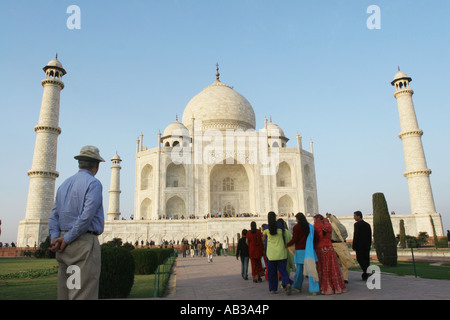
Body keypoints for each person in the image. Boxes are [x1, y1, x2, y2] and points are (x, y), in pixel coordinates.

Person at [48, 145, 105, 300]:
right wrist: (66, 239)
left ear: (79, 162)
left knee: (66, 293)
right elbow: (86, 217)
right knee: (82, 293)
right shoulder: (93, 183)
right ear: (97, 165)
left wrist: (55, 238)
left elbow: (54, 216)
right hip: (82, 244)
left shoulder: (64, 185)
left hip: (63, 245)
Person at [286, 212, 320, 294]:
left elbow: (295, 239)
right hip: (309, 251)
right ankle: (314, 290)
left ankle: (298, 287)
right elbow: (316, 238)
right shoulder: (310, 227)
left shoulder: (296, 227)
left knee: (299, 270)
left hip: (300, 250)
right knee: (311, 270)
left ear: (297, 219)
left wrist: (287, 244)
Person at [313, 214, 347, 295]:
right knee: (332, 268)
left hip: (320, 249)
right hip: (330, 248)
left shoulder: (316, 226)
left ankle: (326, 288)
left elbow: (316, 239)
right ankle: (337, 287)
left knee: (323, 268)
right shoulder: (328, 226)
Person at [262, 212, 293, 295]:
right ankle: (286, 283)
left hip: (271, 253)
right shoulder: (280, 225)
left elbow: (263, 239)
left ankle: (273, 289)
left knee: (272, 272)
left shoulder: (266, 228)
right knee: (283, 271)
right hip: (281, 252)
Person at [327, 213, 356, 283]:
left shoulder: (332, 226)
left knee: (334, 261)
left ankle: (335, 276)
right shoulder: (342, 226)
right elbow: (346, 235)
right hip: (342, 244)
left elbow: (331, 236)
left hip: (334, 245)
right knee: (344, 262)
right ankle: (345, 278)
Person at [352, 211, 372, 280]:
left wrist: (354, 245)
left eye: (355, 216)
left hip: (360, 246)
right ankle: (365, 275)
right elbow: (370, 236)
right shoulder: (367, 224)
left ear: (359, 216)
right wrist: (369, 244)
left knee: (360, 259)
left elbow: (356, 235)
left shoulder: (357, 224)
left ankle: (368, 271)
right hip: (366, 245)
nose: (354, 217)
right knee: (366, 260)